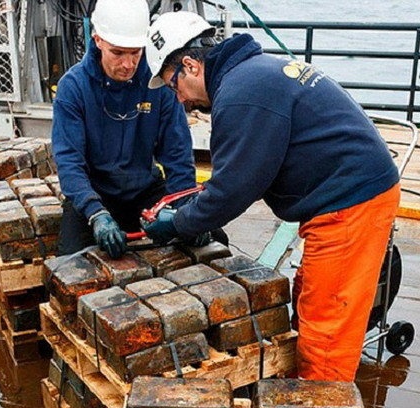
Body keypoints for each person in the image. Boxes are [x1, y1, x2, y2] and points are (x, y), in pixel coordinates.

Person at [142, 11, 401, 382]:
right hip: (344, 196)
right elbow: (243, 176)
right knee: (309, 300)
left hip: (350, 204)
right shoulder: (254, 73)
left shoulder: (241, 94)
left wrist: (180, 223)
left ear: (190, 65)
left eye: (173, 85)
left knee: (325, 337)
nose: (178, 98)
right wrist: (198, 213)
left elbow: (233, 189)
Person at [51, 0, 196, 259]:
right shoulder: (72, 88)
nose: (128, 64)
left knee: (211, 238)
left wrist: (186, 211)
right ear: (98, 41)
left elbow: (177, 156)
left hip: (144, 191)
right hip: (94, 195)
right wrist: (95, 213)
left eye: (135, 53)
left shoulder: (158, 85)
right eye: (118, 53)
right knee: (68, 264)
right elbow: (69, 161)